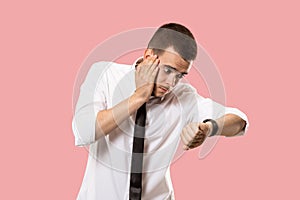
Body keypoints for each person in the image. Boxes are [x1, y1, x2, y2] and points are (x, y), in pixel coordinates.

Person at [72, 23, 249, 200]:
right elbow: (84, 131)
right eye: (168, 70)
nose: (171, 83)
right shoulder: (104, 75)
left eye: (180, 75)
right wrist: (138, 97)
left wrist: (209, 129)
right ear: (149, 56)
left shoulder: (183, 97)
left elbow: (240, 121)